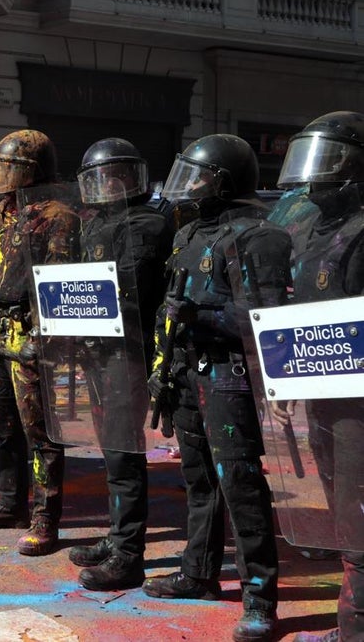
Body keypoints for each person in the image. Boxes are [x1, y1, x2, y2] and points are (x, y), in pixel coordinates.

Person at [142, 134, 286, 642]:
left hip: (229, 373)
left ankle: (260, 596)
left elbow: (262, 320)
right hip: (186, 371)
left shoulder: (258, 237)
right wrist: (161, 365)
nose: (190, 188)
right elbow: (168, 308)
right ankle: (199, 572)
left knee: (241, 483)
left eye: (200, 177)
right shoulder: (188, 236)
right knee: (198, 478)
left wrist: (204, 316)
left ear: (225, 182)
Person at [268, 112, 364, 642]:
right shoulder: (305, 226)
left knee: (358, 510)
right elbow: (296, 311)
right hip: (324, 394)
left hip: (358, 399)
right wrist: (290, 378)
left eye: (331, 158)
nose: (317, 173)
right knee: (342, 506)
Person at [0, 130, 78, 556]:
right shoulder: (1, 213)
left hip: (27, 331)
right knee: (5, 425)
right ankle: (11, 502)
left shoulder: (58, 216)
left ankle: (46, 518)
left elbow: (61, 286)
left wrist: (43, 336)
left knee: (40, 432)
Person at [67, 138, 173, 591]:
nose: (107, 185)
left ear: (133, 177)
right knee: (111, 454)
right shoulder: (95, 225)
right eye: (99, 177)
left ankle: (128, 554)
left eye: (115, 175)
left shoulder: (147, 224)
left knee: (126, 455)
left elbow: (127, 291)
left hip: (128, 353)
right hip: (99, 352)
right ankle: (115, 538)